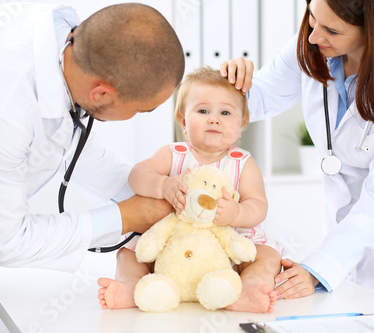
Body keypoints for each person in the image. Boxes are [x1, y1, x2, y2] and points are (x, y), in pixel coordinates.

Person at [0, 2, 184, 330]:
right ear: (102, 93)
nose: (141, 115)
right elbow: (5, 242)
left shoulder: (71, 44)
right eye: (143, 110)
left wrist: (159, 189)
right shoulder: (0, 110)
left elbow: (74, 143)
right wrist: (127, 216)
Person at [220, 0, 374, 315]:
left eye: (332, 30)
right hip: (345, 226)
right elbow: (256, 101)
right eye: (312, 20)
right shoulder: (312, 48)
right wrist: (234, 82)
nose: (314, 37)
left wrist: (318, 268)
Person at [97, 67, 283, 313]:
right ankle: (130, 286)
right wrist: (162, 185)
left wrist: (237, 213)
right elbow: (137, 175)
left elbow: (259, 205)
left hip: (227, 244)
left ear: (241, 124)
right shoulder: (174, 154)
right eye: (203, 110)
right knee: (129, 254)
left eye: (225, 112)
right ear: (184, 121)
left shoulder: (242, 163)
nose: (214, 119)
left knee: (267, 256)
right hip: (173, 244)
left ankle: (247, 289)